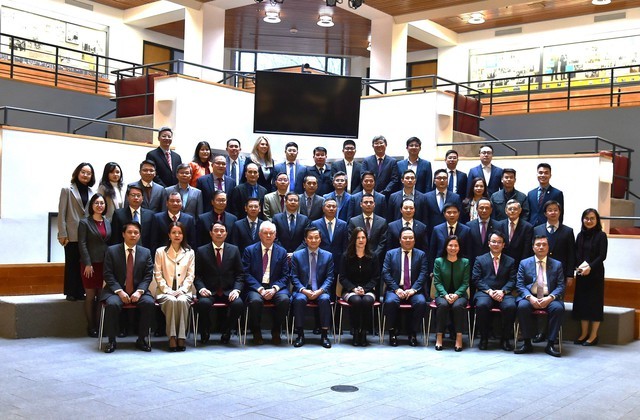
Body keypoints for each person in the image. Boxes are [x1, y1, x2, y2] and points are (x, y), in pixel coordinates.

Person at [100, 221, 156, 353]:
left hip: (138, 290)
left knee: (149, 303)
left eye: (136, 233)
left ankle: (142, 339)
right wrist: (119, 292)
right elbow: (107, 274)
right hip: (116, 291)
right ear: (123, 234)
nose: (133, 235)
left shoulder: (146, 252)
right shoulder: (112, 250)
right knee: (112, 305)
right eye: (130, 232)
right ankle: (111, 340)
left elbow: (148, 275)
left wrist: (139, 291)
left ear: (140, 235)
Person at [515, 235, 565, 358]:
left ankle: (551, 344)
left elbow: (561, 286)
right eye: (538, 244)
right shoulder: (524, 263)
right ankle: (527, 342)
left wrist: (550, 298)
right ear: (533, 247)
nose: (541, 247)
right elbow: (520, 285)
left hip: (549, 296)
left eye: (544, 244)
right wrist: (530, 298)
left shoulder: (557, 264)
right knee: (522, 306)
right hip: (530, 296)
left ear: (548, 247)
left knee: (558, 308)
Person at [532, 200, 574, 344]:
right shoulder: (537, 229)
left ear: (559, 212)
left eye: (556, 210)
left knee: (555, 304)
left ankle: (553, 334)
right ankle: (539, 332)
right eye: (550, 210)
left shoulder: (568, 231)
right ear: (545, 213)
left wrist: (570, 274)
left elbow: (571, 254)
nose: (553, 212)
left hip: (558, 274)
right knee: (539, 300)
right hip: (540, 271)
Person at [195, 222, 244, 345]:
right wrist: (201, 289)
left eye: (222, 231)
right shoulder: (201, 251)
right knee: (203, 304)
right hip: (209, 290)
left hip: (228, 290)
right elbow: (197, 275)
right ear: (211, 233)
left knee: (238, 304)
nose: (219, 233)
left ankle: (227, 330)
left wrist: (236, 290)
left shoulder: (234, 250)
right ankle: (205, 330)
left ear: (226, 234)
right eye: (216, 230)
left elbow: (240, 274)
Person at [243, 221, 290, 345]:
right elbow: (246, 274)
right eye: (265, 233)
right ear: (260, 234)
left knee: (284, 300)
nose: (268, 236)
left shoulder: (282, 252)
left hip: (275, 286)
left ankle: (276, 330)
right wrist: (260, 289)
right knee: (255, 301)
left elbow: (286, 275)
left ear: (275, 235)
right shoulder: (250, 250)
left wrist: (274, 289)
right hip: (256, 287)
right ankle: (256, 331)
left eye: (271, 233)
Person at [382, 228, 428, 347]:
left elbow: (423, 274)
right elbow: (386, 273)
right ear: (399, 240)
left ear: (414, 240)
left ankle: (413, 333)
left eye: (410, 238)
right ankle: (392, 332)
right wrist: (397, 289)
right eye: (405, 238)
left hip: (414, 290)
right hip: (395, 289)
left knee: (421, 303)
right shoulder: (390, 254)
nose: (408, 240)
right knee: (390, 301)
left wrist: (413, 289)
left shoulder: (421, 254)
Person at [153, 222, 194, 352]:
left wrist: (182, 290)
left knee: (181, 301)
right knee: (171, 300)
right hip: (165, 290)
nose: (177, 235)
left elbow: (190, 275)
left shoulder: (190, 252)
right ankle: (172, 336)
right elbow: (157, 274)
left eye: (180, 233)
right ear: (169, 235)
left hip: (184, 290)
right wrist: (168, 291)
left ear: (183, 235)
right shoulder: (160, 252)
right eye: (174, 233)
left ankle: (181, 337)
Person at [472, 231, 517, 351]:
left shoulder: (510, 261)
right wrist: (489, 291)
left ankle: (505, 339)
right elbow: (476, 279)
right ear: (488, 243)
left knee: (511, 306)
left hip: (504, 293)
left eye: (499, 242)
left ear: (503, 245)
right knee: (482, 305)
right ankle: (484, 338)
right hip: (485, 292)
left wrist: (503, 291)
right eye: (493, 241)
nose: (496, 244)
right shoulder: (480, 259)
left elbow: (513, 280)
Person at [290, 227, 334, 348]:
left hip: (321, 289)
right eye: (310, 237)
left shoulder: (328, 256)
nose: (313, 240)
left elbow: (330, 277)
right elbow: (294, 277)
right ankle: (300, 335)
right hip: (303, 289)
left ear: (320, 240)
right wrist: (304, 290)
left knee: (325, 299)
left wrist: (320, 291)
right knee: (299, 300)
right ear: (305, 240)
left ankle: (324, 335)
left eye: (316, 237)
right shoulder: (297, 255)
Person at [58, 162, 95, 301]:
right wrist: (62, 233)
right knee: (72, 262)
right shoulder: (67, 190)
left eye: (89, 173)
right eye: (83, 172)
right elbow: (61, 212)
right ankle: (71, 291)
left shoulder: (93, 192)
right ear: (77, 173)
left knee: (83, 262)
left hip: (86, 232)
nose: (86, 175)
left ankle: (81, 290)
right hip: (72, 232)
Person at [573, 208, 608, 346]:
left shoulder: (601, 235)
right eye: (586, 218)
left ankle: (593, 335)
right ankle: (583, 334)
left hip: (595, 274)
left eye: (592, 218)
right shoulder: (580, 235)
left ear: (597, 220)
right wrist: (579, 267)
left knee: (594, 304)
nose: (589, 221)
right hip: (582, 274)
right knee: (582, 303)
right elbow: (576, 253)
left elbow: (602, 256)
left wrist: (590, 267)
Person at [78, 193, 111, 337]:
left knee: (101, 295)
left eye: (102, 203)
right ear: (92, 205)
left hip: (104, 264)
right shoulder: (84, 222)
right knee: (91, 296)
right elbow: (82, 244)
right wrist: (87, 263)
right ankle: (91, 326)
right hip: (90, 265)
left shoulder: (107, 221)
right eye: (97, 203)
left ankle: (100, 325)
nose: (99, 206)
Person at [339, 227, 379, 346]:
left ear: (367, 239)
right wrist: (354, 289)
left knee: (366, 300)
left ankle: (364, 332)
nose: (361, 240)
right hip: (350, 290)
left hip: (368, 290)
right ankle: (356, 331)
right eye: (358, 237)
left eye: (363, 237)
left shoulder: (373, 256)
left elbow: (376, 277)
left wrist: (365, 289)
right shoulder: (346, 256)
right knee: (356, 300)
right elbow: (342, 278)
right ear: (353, 239)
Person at [433, 235, 470, 352]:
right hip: (442, 295)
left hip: (460, 295)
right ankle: (439, 337)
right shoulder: (439, 261)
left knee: (458, 306)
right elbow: (437, 282)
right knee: (443, 305)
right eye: (450, 245)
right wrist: (445, 295)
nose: (453, 248)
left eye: (455, 245)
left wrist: (456, 294)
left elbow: (465, 283)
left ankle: (458, 337)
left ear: (459, 248)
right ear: (445, 247)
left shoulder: (465, 262)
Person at [429, 202, 470, 276]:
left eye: (455, 212)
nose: (452, 215)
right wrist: (432, 269)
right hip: (441, 267)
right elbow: (432, 251)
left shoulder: (466, 230)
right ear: (444, 214)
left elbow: (468, 251)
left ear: (459, 213)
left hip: (460, 268)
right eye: (449, 212)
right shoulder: (437, 229)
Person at [311, 198, 348, 281]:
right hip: (320, 261)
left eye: (334, 206)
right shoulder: (315, 224)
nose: (331, 208)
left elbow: (345, 245)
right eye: (329, 206)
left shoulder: (343, 224)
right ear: (323, 209)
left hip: (338, 262)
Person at [347, 194, 388, 265]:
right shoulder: (353, 221)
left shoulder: (382, 222)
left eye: (371, 202)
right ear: (361, 204)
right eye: (366, 202)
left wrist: (373, 256)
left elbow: (382, 242)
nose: (368, 204)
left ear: (374, 204)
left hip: (376, 260)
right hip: (357, 259)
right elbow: (351, 239)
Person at [111, 185, 154, 249]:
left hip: (144, 252)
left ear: (142, 198)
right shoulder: (118, 214)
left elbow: (152, 238)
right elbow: (115, 238)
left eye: (138, 195)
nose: (136, 198)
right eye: (133, 195)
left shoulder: (150, 215)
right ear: (128, 197)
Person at [495, 199, 533, 267]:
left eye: (515, 209)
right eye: (510, 209)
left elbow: (526, 250)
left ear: (520, 210)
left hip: (519, 263)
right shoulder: (499, 225)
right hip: (501, 263)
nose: (512, 211)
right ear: (506, 211)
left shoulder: (527, 227)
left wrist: (523, 265)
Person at [424, 169, 461, 237]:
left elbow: (459, 217)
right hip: (431, 232)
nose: (442, 180)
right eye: (439, 178)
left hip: (450, 233)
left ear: (448, 181)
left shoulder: (455, 197)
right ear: (434, 181)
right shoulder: (426, 197)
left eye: (444, 178)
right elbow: (424, 217)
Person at [465, 198, 496, 270]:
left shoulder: (498, 226)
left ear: (491, 210)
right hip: (473, 263)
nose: (484, 210)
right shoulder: (469, 226)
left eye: (487, 208)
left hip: (491, 265)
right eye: (481, 208)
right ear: (476, 209)